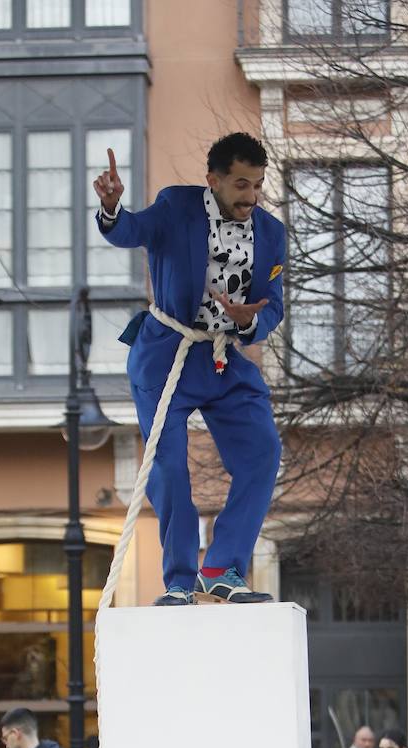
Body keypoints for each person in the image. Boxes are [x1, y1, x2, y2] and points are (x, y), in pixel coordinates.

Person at [94, 131, 285, 606]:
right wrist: (113, 209)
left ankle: (222, 568)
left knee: (263, 451)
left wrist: (252, 320)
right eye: (241, 184)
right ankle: (179, 581)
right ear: (213, 180)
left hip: (222, 358)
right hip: (166, 354)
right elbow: (129, 232)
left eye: (257, 184)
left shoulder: (272, 233)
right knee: (170, 467)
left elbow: (274, 307)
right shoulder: (177, 207)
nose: (251, 196)